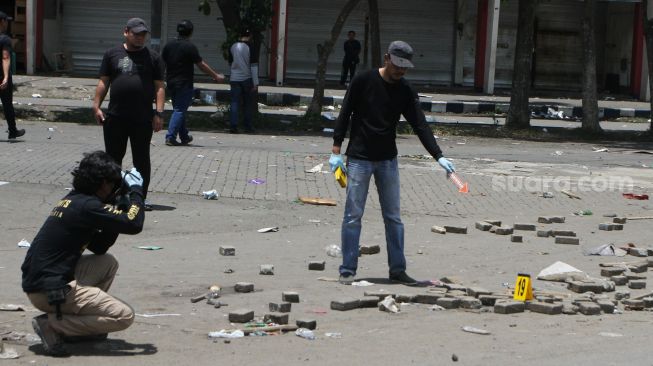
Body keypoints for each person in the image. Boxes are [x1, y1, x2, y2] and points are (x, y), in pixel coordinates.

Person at [329, 41, 456, 286]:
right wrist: (336, 150)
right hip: (359, 159)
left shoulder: (405, 90)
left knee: (394, 217)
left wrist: (438, 155)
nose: (400, 71)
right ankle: (347, 269)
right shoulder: (363, 80)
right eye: (397, 66)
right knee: (353, 216)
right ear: (387, 58)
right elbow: (345, 113)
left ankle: (397, 270)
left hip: (388, 160)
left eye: (405, 68)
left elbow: (420, 125)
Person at [21, 151, 145, 357]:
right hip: (50, 289)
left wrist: (117, 210)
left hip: (42, 281)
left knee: (106, 263)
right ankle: (52, 325)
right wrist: (136, 192)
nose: (114, 187)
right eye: (113, 183)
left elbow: (99, 247)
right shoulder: (88, 206)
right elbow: (134, 223)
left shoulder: (75, 200)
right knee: (124, 316)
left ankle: (78, 323)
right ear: (103, 184)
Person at [92, 18, 165, 210]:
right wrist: (96, 106)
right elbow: (103, 82)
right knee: (113, 159)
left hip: (142, 118)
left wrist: (159, 113)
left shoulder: (153, 57)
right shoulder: (112, 54)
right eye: (136, 34)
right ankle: (113, 195)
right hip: (116, 116)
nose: (140, 38)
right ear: (126, 32)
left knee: (141, 159)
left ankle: (139, 198)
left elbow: (159, 87)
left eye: (143, 35)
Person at [162, 19, 225, 146]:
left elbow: (161, 63)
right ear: (190, 32)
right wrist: (216, 76)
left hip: (171, 83)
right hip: (184, 84)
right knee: (179, 110)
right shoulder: (189, 46)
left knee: (179, 109)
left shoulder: (169, 45)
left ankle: (184, 136)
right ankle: (170, 136)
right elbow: (201, 65)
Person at [228, 29, 258, 134]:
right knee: (247, 104)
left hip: (234, 79)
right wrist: (255, 82)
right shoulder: (251, 47)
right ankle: (248, 126)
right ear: (250, 36)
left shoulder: (233, 46)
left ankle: (233, 126)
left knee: (234, 102)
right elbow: (254, 65)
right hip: (247, 79)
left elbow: (230, 62)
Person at [0, 11, 24, 139]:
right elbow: (5, 57)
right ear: (2, 22)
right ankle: (12, 131)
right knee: (7, 104)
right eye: (6, 21)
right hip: (1, 77)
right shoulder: (4, 39)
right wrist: (5, 77)